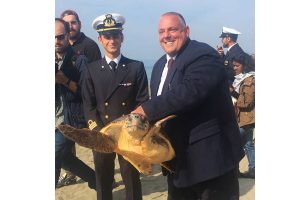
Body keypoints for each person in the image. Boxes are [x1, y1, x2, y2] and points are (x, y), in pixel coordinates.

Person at [132, 12, 244, 200]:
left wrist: (146, 110)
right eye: (161, 31)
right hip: (177, 163)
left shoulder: (203, 54)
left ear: (186, 31)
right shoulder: (160, 65)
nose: (166, 35)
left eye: (172, 29)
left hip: (211, 161)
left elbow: (190, 91)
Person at [82, 13, 149, 200]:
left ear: (122, 37)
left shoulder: (136, 67)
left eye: (115, 35)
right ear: (100, 39)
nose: (112, 40)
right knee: (103, 181)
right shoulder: (92, 69)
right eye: (107, 36)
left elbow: (142, 101)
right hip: (102, 133)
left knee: (132, 180)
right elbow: (88, 104)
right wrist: (97, 130)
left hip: (128, 133)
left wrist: (132, 128)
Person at [58, 10, 102, 187]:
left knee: (93, 145)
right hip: (62, 113)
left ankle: (101, 176)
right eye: (66, 23)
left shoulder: (88, 47)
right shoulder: (57, 50)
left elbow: (92, 83)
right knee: (65, 152)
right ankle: (90, 178)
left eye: (73, 22)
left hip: (83, 110)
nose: (71, 25)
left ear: (79, 24)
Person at [230, 54, 255, 179]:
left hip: (244, 118)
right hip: (244, 117)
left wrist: (232, 92)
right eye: (233, 65)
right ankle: (252, 169)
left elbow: (247, 102)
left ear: (244, 66)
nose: (234, 68)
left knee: (236, 144)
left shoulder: (249, 79)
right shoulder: (240, 79)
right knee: (248, 144)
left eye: (237, 65)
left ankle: (235, 171)